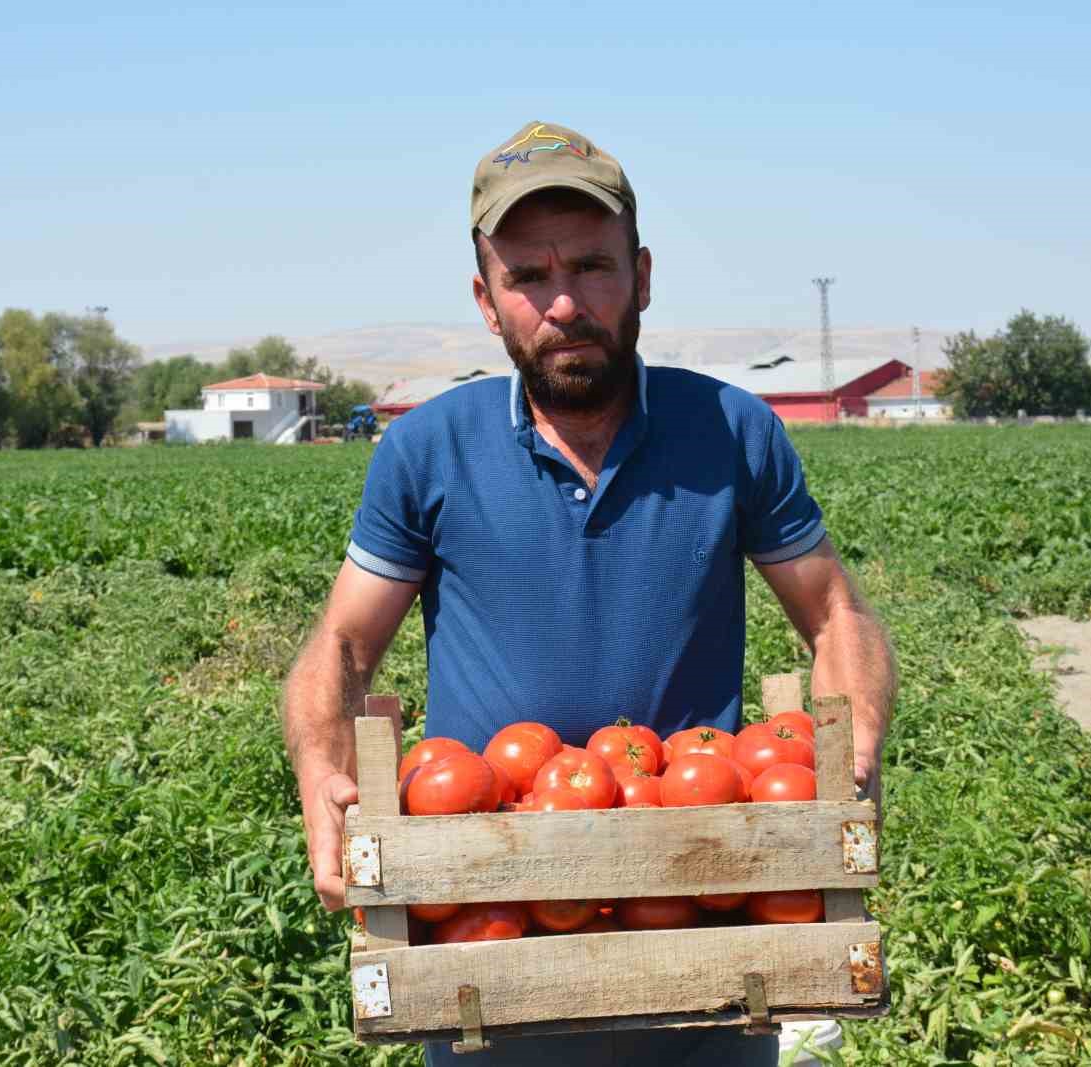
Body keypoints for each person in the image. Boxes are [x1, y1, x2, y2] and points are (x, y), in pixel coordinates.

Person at [280, 120, 896, 1067]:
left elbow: (834, 614)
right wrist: (322, 768)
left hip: (707, 928)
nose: (564, 302)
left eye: (594, 268)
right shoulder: (424, 451)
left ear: (642, 276)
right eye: (528, 276)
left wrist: (853, 750)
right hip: (491, 937)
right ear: (487, 300)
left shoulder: (731, 432)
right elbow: (343, 647)